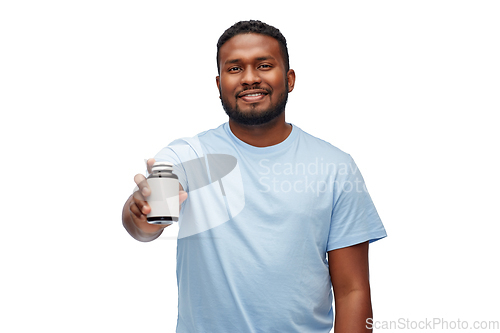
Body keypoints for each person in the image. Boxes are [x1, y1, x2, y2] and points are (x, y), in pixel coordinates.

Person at [122, 20, 387, 332]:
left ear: (289, 79)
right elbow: (146, 221)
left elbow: (352, 290)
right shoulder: (187, 156)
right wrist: (143, 212)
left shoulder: (335, 167)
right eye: (235, 69)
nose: (249, 78)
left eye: (263, 65)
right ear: (219, 83)